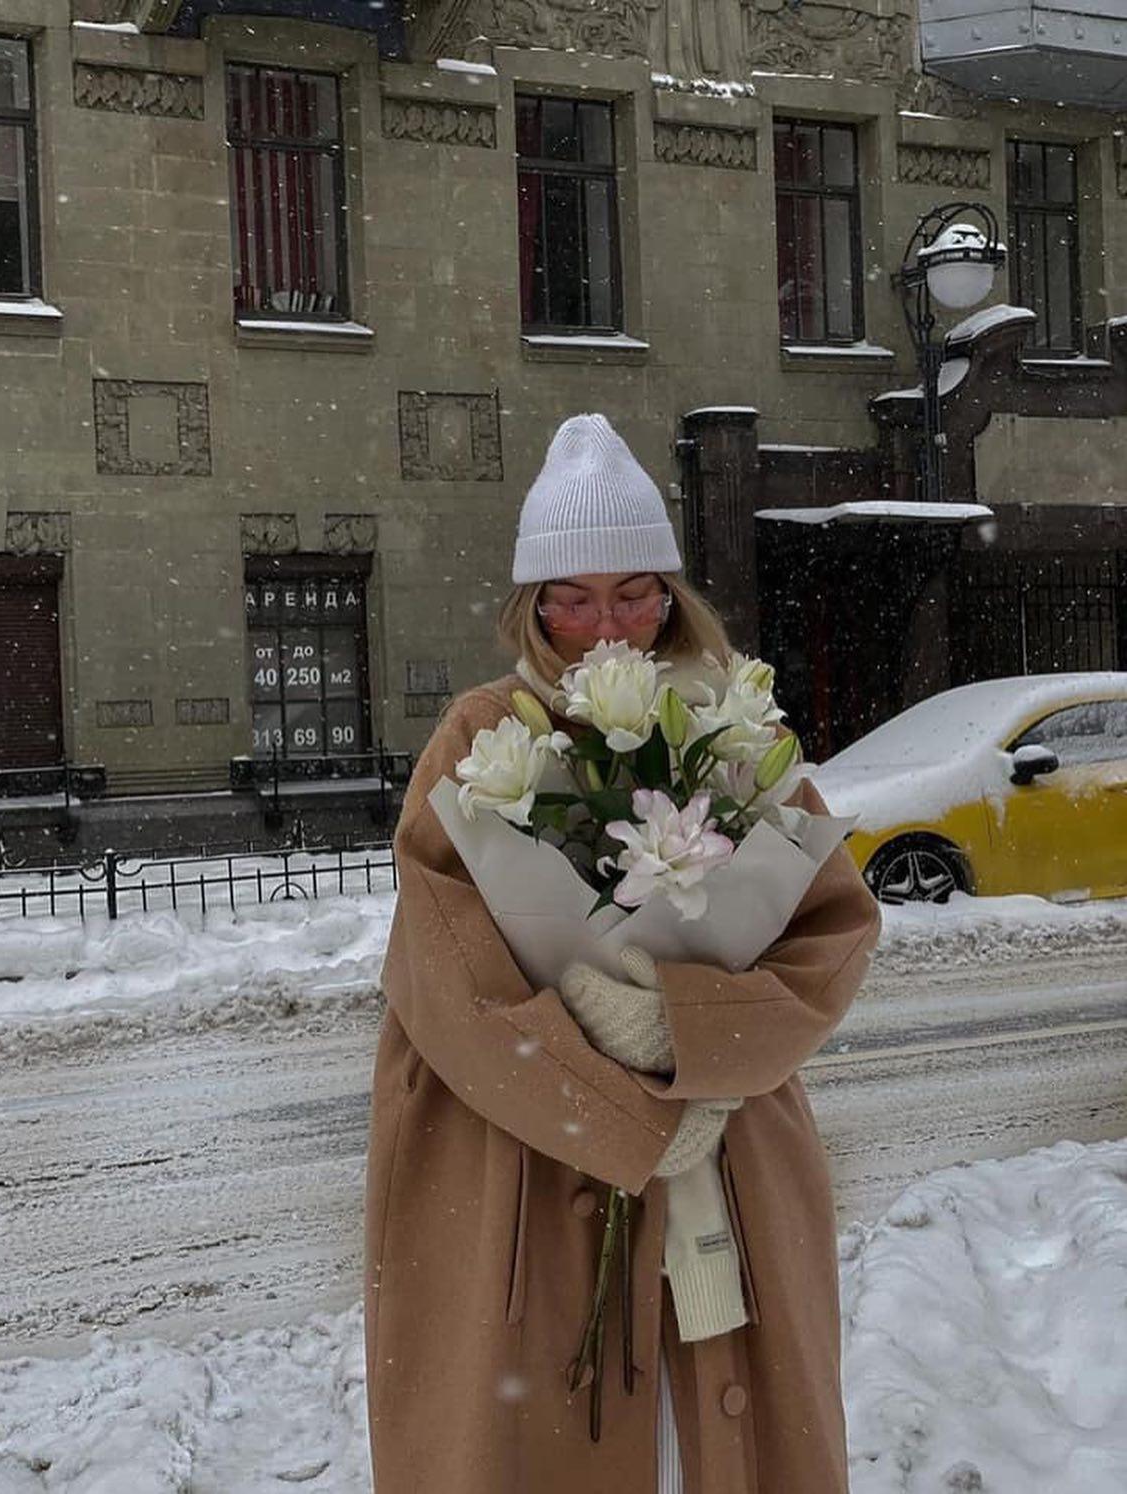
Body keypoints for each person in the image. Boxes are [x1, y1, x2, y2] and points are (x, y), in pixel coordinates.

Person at [364, 413, 881, 1494]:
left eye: (636, 592)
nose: (609, 625)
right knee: (554, 1429)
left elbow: (830, 931)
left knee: (719, 1439)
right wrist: (619, 1105)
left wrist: (697, 1037)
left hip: (725, 1144)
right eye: (576, 596)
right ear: (535, 605)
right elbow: (445, 970)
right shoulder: (481, 738)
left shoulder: (734, 737)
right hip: (524, 1162)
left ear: (671, 596)